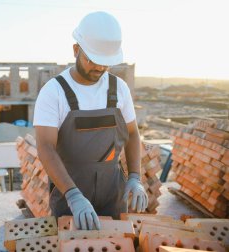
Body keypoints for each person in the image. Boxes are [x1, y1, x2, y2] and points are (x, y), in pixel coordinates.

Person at [33, 11, 148, 230]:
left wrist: (135, 176)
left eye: (106, 63)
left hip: (112, 193)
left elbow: (132, 134)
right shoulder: (54, 92)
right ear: (76, 50)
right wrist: (73, 195)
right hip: (69, 195)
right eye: (93, 60)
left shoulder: (119, 89)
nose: (100, 68)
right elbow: (45, 147)